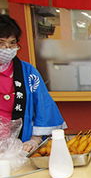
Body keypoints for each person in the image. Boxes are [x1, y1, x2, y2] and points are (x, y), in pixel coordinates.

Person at [0, 14, 67, 152]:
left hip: (22, 144)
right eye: (1, 43)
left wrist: (35, 139)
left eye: (12, 42)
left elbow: (43, 104)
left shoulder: (28, 71)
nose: (7, 48)